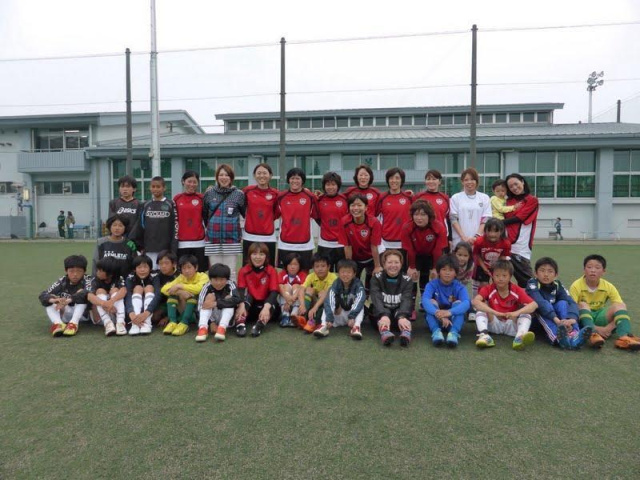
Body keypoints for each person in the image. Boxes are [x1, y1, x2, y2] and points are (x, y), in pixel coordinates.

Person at [569, 254, 640, 351]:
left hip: (599, 316)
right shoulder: (576, 286)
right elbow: (572, 309)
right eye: (589, 267)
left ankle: (624, 338)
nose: (593, 270)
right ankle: (592, 334)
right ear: (584, 270)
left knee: (620, 306)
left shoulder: (608, 286)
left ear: (603, 271)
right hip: (582, 320)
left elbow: (620, 309)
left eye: (597, 267)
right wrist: (597, 329)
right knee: (582, 304)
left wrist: (608, 328)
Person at [472, 259, 538, 350]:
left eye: (504, 275)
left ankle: (519, 337)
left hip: (511, 324)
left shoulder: (516, 290)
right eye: (497, 275)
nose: (500, 278)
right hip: (494, 324)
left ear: (510, 276)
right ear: (492, 276)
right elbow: (475, 302)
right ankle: (484, 335)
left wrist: (516, 313)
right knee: (481, 309)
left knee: (526, 314)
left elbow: (534, 305)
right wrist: (495, 312)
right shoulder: (488, 289)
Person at [527, 257, 590, 350]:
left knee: (563, 303)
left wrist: (571, 319)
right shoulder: (532, 283)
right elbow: (541, 303)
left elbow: (570, 301)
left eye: (550, 271)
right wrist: (557, 321)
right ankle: (558, 338)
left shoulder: (557, 284)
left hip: (557, 317)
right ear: (536, 273)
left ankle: (575, 335)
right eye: (542, 270)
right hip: (538, 317)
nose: (546, 274)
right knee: (543, 307)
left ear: (556, 275)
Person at [203, 164, 246, 280]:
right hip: (213, 239)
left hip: (232, 240)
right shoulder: (209, 193)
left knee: (230, 272)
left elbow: (244, 213)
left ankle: (231, 292)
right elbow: (205, 214)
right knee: (214, 271)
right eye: (221, 175)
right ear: (217, 177)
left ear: (231, 178)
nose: (224, 177)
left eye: (227, 175)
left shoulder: (239, 194)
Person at [422, 254, 471, 348]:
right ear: (438, 272)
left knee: (459, 304)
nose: (447, 273)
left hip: (453, 319)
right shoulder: (431, 284)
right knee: (431, 302)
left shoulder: (459, 287)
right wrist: (437, 313)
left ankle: (453, 333)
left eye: (451, 270)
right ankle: (436, 332)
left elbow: (466, 303)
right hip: (437, 318)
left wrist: (449, 312)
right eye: (444, 269)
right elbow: (425, 300)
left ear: (456, 273)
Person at [337, 193, 382, 294]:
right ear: (349, 208)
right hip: (355, 257)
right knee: (352, 283)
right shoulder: (344, 221)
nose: (356, 208)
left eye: (359, 205)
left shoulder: (374, 222)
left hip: (371, 256)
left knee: (373, 282)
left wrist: (377, 266)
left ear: (366, 207)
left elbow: (374, 246)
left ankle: (369, 296)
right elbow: (347, 246)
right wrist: (349, 266)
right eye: (353, 205)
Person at [401, 199, 447, 296]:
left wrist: (435, 268)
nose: (419, 218)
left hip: (431, 255)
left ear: (429, 216)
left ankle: (425, 300)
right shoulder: (407, 227)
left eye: (423, 214)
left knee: (427, 277)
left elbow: (438, 250)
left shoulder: (439, 227)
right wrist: (412, 267)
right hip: (414, 254)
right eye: (416, 214)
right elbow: (409, 250)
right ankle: (411, 301)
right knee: (411, 277)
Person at [276, 167, 318, 272]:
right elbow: (274, 214)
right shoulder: (281, 196)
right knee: (285, 273)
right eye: (292, 178)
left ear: (302, 180)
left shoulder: (310, 196)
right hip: (285, 243)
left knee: (304, 273)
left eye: (298, 178)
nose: (295, 181)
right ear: (288, 180)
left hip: (305, 244)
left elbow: (317, 214)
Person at [39, 254, 92, 337]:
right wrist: (54, 300)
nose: (75, 274)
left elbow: (87, 292)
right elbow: (43, 295)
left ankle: (74, 324)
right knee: (49, 299)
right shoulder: (62, 281)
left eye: (79, 271)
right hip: (66, 314)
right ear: (66, 271)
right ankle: (58, 324)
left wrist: (68, 300)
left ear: (84, 271)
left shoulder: (88, 279)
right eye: (71, 271)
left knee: (82, 294)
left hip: (83, 314)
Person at [370, 250, 414, 347]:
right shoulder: (376, 278)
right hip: (381, 314)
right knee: (376, 313)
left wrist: (402, 316)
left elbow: (407, 300)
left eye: (396, 262)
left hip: (399, 314)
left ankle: (406, 332)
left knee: (404, 319)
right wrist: (384, 315)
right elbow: (376, 298)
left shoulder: (407, 280)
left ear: (401, 264)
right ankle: (384, 332)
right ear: (384, 264)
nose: (393, 265)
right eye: (389, 262)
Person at [313, 259, 366, 340]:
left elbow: (361, 299)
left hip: (352, 317)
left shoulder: (358, 284)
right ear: (338, 273)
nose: (345, 275)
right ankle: (323, 326)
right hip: (339, 315)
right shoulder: (336, 283)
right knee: (327, 302)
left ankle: (356, 327)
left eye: (349, 272)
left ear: (354, 274)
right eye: (343, 272)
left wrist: (352, 316)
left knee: (360, 304)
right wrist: (329, 318)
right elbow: (329, 300)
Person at [235, 242, 280, 338]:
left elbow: (274, 291)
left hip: (266, 307)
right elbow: (241, 290)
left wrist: (266, 308)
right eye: (254, 254)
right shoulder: (243, 270)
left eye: (261, 254)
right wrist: (241, 306)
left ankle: (259, 325)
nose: (258, 257)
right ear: (249, 256)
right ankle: (240, 324)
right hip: (249, 307)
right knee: (248, 296)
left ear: (266, 257)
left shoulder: (271, 270)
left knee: (273, 303)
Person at [503, 173, 539, 287]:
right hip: (505, 246)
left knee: (528, 283)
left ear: (522, 182)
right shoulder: (507, 202)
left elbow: (520, 217)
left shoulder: (532, 200)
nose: (514, 187)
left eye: (516, 184)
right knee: (501, 279)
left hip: (521, 248)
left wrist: (499, 222)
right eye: (511, 186)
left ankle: (534, 299)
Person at [134, 176, 178, 268]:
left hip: (165, 249)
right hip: (149, 248)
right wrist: (140, 246)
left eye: (158, 187)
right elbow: (140, 226)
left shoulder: (171, 204)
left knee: (165, 271)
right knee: (151, 271)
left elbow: (175, 226)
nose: (155, 189)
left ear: (164, 188)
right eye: (153, 187)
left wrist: (173, 247)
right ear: (150, 188)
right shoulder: (145, 205)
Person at [161, 254, 209, 337]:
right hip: (182, 309)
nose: (186, 271)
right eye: (184, 268)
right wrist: (179, 292)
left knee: (192, 296)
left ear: (196, 267)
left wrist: (180, 286)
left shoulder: (203, 276)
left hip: (196, 312)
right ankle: (172, 322)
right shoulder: (181, 277)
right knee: (173, 295)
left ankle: (184, 323)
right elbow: (164, 289)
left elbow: (199, 288)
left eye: (189, 267)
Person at [242, 163, 279, 266]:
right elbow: (241, 207)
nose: (262, 176)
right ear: (254, 175)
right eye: (259, 173)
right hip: (249, 236)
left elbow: (277, 212)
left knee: (268, 267)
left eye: (264, 173)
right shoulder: (247, 191)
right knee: (248, 267)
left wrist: (267, 220)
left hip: (268, 236)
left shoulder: (275, 193)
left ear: (270, 175)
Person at [196, 263, 241, 343]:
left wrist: (216, 303)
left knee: (229, 299)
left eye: (222, 279)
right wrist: (211, 322)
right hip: (210, 317)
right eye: (215, 279)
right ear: (210, 279)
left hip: (228, 320)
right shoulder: (206, 287)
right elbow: (199, 307)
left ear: (227, 279)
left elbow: (237, 299)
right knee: (208, 299)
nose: (218, 283)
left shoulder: (230, 284)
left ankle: (222, 328)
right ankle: (203, 328)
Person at [449, 168, 491, 249]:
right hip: (459, 241)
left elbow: (486, 219)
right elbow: (453, 219)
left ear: (476, 181)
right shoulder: (455, 198)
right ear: (462, 182)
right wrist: (463, 237)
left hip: (478, 241)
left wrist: (476, 237)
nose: (469, 182)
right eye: (466, 180)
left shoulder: (484, 198)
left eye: (472, 179)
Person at [174, 170, 207, 272]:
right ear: (183, 181)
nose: (192, 184)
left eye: (194, 182)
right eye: (189, 181)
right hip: (182, 242)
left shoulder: (202, 198)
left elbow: (206, 218)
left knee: (200, 272)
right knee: (184, 272)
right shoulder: (177, 199)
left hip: (199, 242)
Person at [376, 167, 413, 255]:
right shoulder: (382, 197)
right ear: (388, 180)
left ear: (402, 180)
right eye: (391, 178)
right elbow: (376, 219)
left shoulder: (409, 197)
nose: (394, 181)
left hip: (405, 242)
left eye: (397, 178)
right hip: (386, 243)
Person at [88, 256, 128, 336]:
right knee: (100, 291)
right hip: (100, 317)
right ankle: (107, 323)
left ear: (110, 274)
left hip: (115, 312)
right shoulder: (94, 279)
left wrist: (111, 301)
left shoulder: (118, 278)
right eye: (98, 269)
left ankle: (120, 322)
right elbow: (89, 296)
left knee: (115, 290)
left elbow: (124, 290)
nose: (97, 272)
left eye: (100, 270)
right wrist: (104, 303)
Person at [316, 171, 348, 271]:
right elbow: (317, 218)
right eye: (328, 184)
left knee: (342, 273)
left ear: (338, 186)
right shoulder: (319, 200)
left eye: (333, 184)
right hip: (324, 244)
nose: (330, 187)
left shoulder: (345, 200)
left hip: (341, 244)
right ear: (324, 186)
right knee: (324, 273)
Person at [298, 253, 337, 333]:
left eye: (323, 266)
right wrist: (302, 304)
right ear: (313, 268)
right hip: (316, 301)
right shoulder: (311, 276)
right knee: (309, 289)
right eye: (317, 266)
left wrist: (315, 307)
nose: (320, 269)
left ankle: (313, 321)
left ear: (328, 267)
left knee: (323, 293)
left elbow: (327, 294)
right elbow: (301, 289)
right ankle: (303, 317)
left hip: (328, 304)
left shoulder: (333, 277)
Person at [472, 218, 511, 295]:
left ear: (501, 231)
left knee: (499, 284)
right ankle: (480, 299)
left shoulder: (506, 243)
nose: (492, 234)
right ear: (485, 231)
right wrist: (485, 268)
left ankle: (496, 299)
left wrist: (497, 268)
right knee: (483, 285)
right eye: (489, 231)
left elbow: (503, 257)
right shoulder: (479, 241)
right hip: (481, 265)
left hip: (497, 265)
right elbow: (477, 255)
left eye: (496, 231)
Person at [124, 255, 161, 336]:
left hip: (150, 311)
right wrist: (131, 312)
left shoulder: (154, 276)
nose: (142, 270)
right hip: (134, 310)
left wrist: (147, 312)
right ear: (134, 269)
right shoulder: (130, 277)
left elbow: (158, 294)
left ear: (150, 268)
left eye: (145, 267)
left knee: (149, 287)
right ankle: (135, 324)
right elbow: (128, 296)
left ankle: (147, 323)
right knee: (138, 288)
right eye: (139, 267)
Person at [92, 214, 137, 279]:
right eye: (114, 225)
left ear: (125, 228)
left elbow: (134, 264)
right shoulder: (101, 242)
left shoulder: (130, 244)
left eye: (120, 226)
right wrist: (95, 278)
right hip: (104, 280)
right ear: (110, 226)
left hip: (125, 280)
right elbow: (95, 262)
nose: (117, 228)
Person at [414, 169, 451, 244]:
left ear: (439, 181)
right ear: (425, 181)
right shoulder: (418, 197)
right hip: (422, 237)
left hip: (441, 236)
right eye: (428, 179)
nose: (431, 181)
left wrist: (450, 238)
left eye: (434, 179)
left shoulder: (445, 198)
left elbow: (447, 219)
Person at [278, 252, 307, 328]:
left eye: (295, 264)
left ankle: (293, 316)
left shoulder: (303, 275)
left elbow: (301, 289)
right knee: (285, 286)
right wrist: (287, 298)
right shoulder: (282, 274)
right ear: (286, 265)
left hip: (295, 300)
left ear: (300, 265)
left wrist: (291, 300)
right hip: (285, 301)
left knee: (296, 286)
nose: (292, 267)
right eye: (290, 264)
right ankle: (285, 315)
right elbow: (280, 287)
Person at [152, 250, 179, 327]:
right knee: (154, 317)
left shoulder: (179, 276)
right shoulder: (157, 276)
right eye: (160, 263)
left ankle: (172, 318)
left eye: (166, 263)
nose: (163, 266)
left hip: (177, 303)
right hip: (164, 304)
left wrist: (167, 318)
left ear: (174, 264)